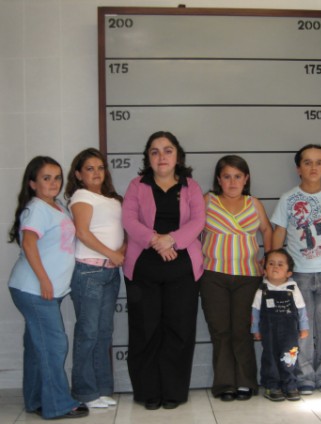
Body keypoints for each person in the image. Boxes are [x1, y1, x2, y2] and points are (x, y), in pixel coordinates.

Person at [122, 131, 205, 410]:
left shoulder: (191, 186)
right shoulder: (137, 185)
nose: (161, 157)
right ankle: (148, 393)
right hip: (144, 268)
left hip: (182, 269)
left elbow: (198, 221)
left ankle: (173, 392)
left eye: (167, 150)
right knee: (145, 332)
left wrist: (172, 240)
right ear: (148, 157)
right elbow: (129, 220)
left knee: (179, 332)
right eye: (155, 151)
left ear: (177, 155)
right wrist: (156, 240)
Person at [7, 156, 89, 420]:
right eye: (46, 178)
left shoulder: (56, 206)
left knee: (37, 346)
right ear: (33, 183)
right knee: (54, 345)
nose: (53, 183)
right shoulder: (37, 208)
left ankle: (35, 400)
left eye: (57, 177)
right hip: (34, 289)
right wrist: (44, 279)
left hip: (42, 290)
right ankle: (58, 405)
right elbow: (28, 243)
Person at [271, 144, 321, 394]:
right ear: (298, 168)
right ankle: (304, 376)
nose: (313, 167)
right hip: (298, 275)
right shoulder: (288, 199)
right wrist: (275, 269)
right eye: (307, 162)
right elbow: (279, 233)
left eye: (319, 162)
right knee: (300, 327)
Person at [200, 155, 273, 401]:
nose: (232, 182)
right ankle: (225, 385)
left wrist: (268, 258)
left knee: (242, 330)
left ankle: (246, 382)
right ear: (219, 179)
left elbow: (267, 230)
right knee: (220, 331)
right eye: (227, 176)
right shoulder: (208, 201)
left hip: (248, 276)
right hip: (213, 275)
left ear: (246, 179)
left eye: (237, 176)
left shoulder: (254, 203)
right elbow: (192, 230)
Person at [64, 148, 125, 408]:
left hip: (110, 272)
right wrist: (112, 254)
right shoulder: (81, 195)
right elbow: (82, 232)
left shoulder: (112, 198)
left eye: (100, 168)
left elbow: (122, 233)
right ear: (78, 174)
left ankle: (102, 389)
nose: (97, 173)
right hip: (89, 271)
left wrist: (120, 253)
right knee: (88, 333)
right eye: (90, 169)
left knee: (103, 332)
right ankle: (85, 393)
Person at [251, 248, 309, 402]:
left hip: (290, 332)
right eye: (271, 264)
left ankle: (290, 385)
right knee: (269, 357)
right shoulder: (262, 290)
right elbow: (255, 311)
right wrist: (255, 329)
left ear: (289, 273)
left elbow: (302, 309)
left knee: (289, 357)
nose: (275, 267)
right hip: (268, 331)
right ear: (265, 270)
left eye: (280, 264)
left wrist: (304, 327)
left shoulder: (293, 288)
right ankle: (272, 385)